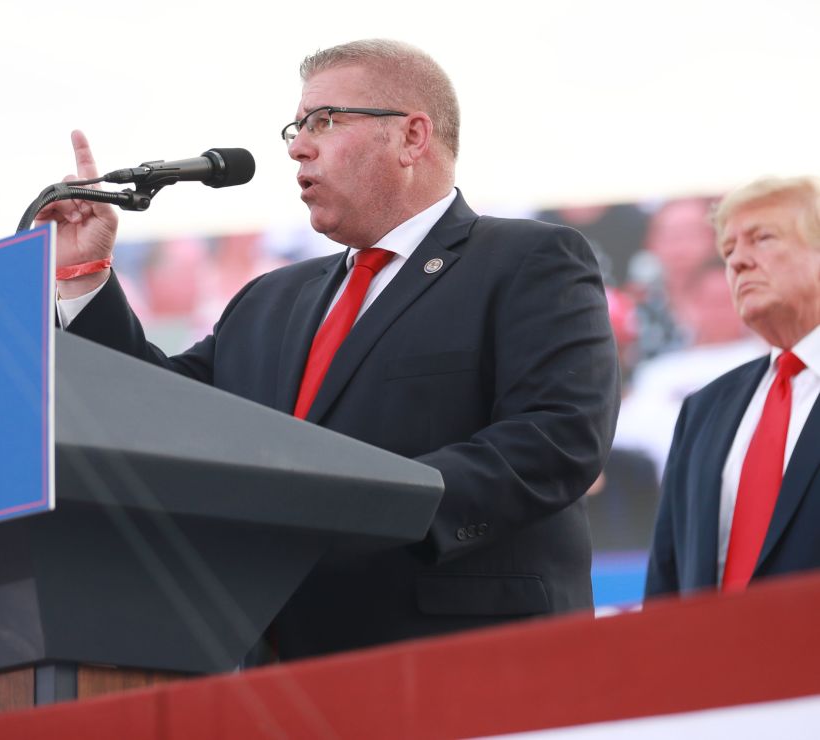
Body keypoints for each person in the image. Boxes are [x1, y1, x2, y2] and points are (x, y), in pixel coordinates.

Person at [41, 39, 619, 659]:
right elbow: (156, 414)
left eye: (324, 121)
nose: (296, 146)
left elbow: (556, 438)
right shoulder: (268, 301)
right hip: (279, 669)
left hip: (467, 658)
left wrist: (371, 506)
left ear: (412, 137)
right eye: (296, 127)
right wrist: (85, 277)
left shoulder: (526, 260)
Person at [645, 177, 820, 598]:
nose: (738, 261)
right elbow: (667, 582)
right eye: (728, 250)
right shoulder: (703, 410)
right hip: (713, 660)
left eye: (762, 238)